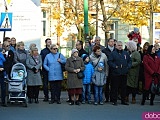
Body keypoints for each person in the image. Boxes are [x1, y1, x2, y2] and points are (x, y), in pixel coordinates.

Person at [108, 41, 132, 106]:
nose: (120, 46)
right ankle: (114, 100)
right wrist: (115, 66)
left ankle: (123, 100)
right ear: (116, 46)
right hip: (116, 73)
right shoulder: (113, 53)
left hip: (124, 73)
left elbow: (130, 61)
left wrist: (128, 66)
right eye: (119, 45)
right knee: (115, 87)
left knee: (123, 88)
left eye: (121, 45)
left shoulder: (125, 53)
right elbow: (110, 62)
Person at [102, 38, 116, 102]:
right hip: (107, 69)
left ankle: (113, 97)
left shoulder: (116, 50)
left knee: (113, 84)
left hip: (114, 69)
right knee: (107, 84)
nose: (112, 43)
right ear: (108, 43)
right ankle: (107, 97)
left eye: (113, 41)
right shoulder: (104, 50)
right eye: (111, 41)